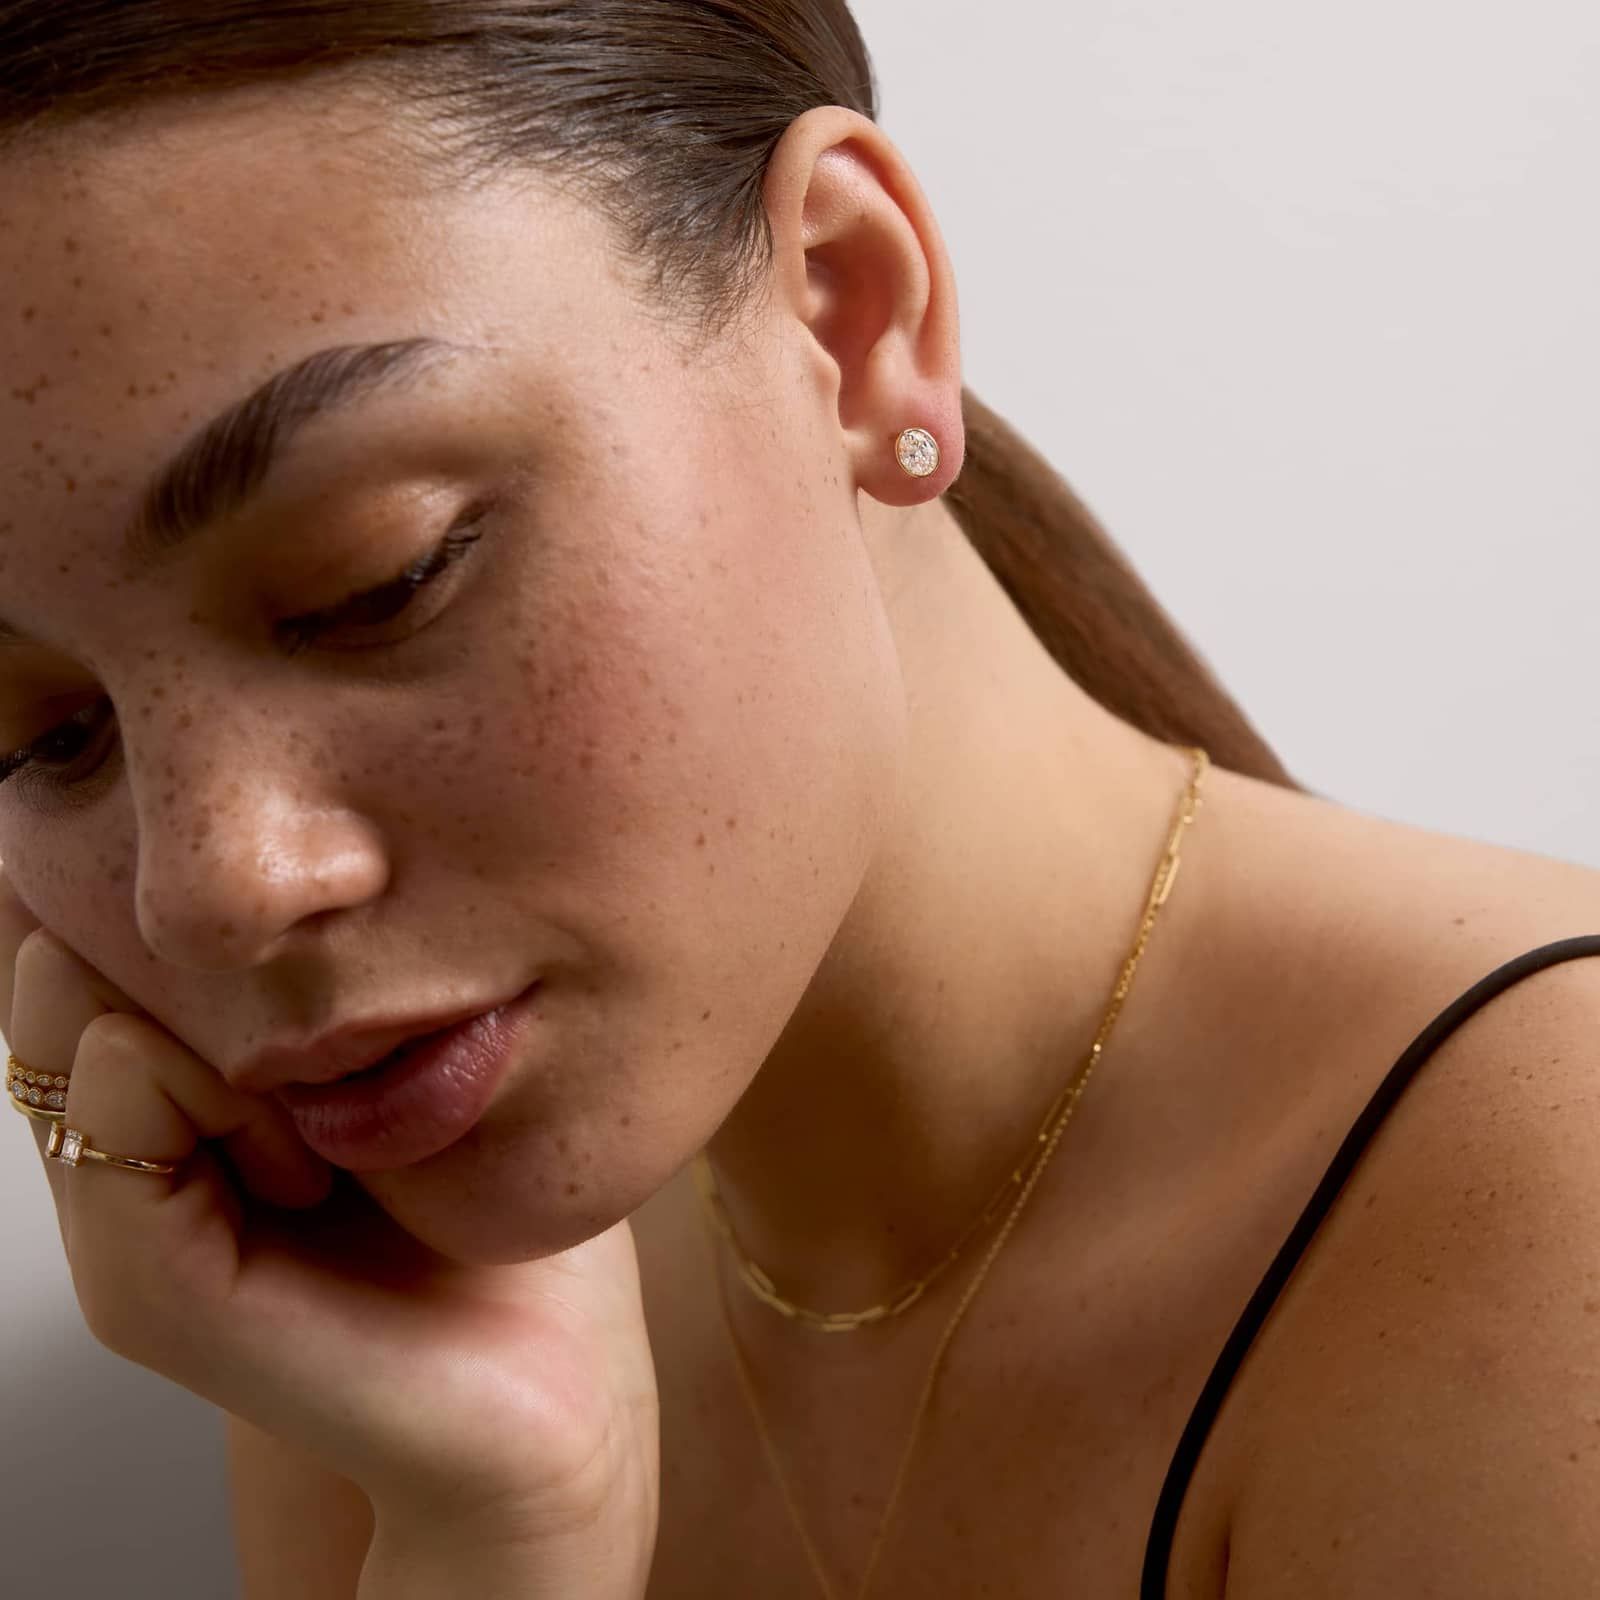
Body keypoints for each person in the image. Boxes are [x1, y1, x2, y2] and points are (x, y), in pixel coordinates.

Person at [2, 4, 1597, 1596]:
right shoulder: (388, 1327)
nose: (208, 888)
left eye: (379, 579)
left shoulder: (1541, 1231)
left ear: (848, 311)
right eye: (48, 735)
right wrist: (496, 1535)